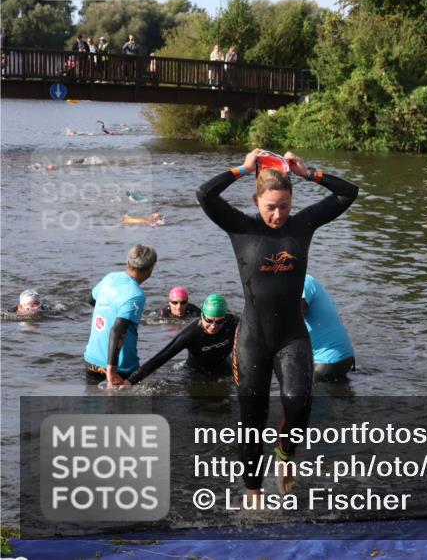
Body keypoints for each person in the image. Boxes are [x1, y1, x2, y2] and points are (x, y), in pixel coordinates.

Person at [197, 148, 358, 502]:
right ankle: (253, 493)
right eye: (270, 206)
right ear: (257, 201)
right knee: (251, 420)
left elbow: (348, 193)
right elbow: (205, 194)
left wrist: (308, 173)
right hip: (253, 340)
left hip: (291, 337)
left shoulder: (301, 226)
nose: (278, 214)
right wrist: (241, 169)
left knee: (297, 403)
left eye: (284, 206)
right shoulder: (241, 227)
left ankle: (285, 456)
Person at [84, 244, 157, 387]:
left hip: (91, 361)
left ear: (127, 262)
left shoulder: (110, 278)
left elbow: (91, 299)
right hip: (120, 368)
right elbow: (117, 331)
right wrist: (112, 370)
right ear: (151, 269)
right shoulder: (136, 295)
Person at [129, 294, 237, 385]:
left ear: (225, 318)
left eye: (219, 321)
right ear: (202, 315)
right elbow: (161, 357)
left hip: (225, 372)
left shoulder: (233, 323)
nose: (213, 326)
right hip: (196, 375)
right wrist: (130, 381)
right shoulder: (191, 333)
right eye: (209, 320)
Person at [302, 274, 356, 381]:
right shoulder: (307, 280)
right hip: (341, 357)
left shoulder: (302, 282)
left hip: (326, 361)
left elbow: (296, 318)